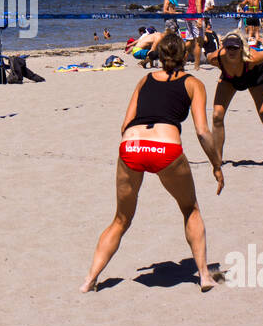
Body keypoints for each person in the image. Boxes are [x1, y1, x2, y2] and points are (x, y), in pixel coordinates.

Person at [80, 32, 224, 294]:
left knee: (121, 219)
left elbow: (124, 125)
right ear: (183, 55)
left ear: (160, 56)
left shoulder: (144, 80)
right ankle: (204, 275)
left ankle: (89, 280)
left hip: (131, 145)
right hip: (165, 148)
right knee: (190, 209)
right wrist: (216, 164)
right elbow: (203, 131)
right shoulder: (193, 83)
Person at [206, 31, 263, 169]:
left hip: (253, 76)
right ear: (224, 47)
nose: (231, 51)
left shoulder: (253, 58)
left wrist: (253, 56)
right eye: (228, 47)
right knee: (217, 116)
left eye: (235, 48)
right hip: (229, 79)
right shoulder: (217, 58)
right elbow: (208, 56)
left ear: (241, 48)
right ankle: (218, 160)